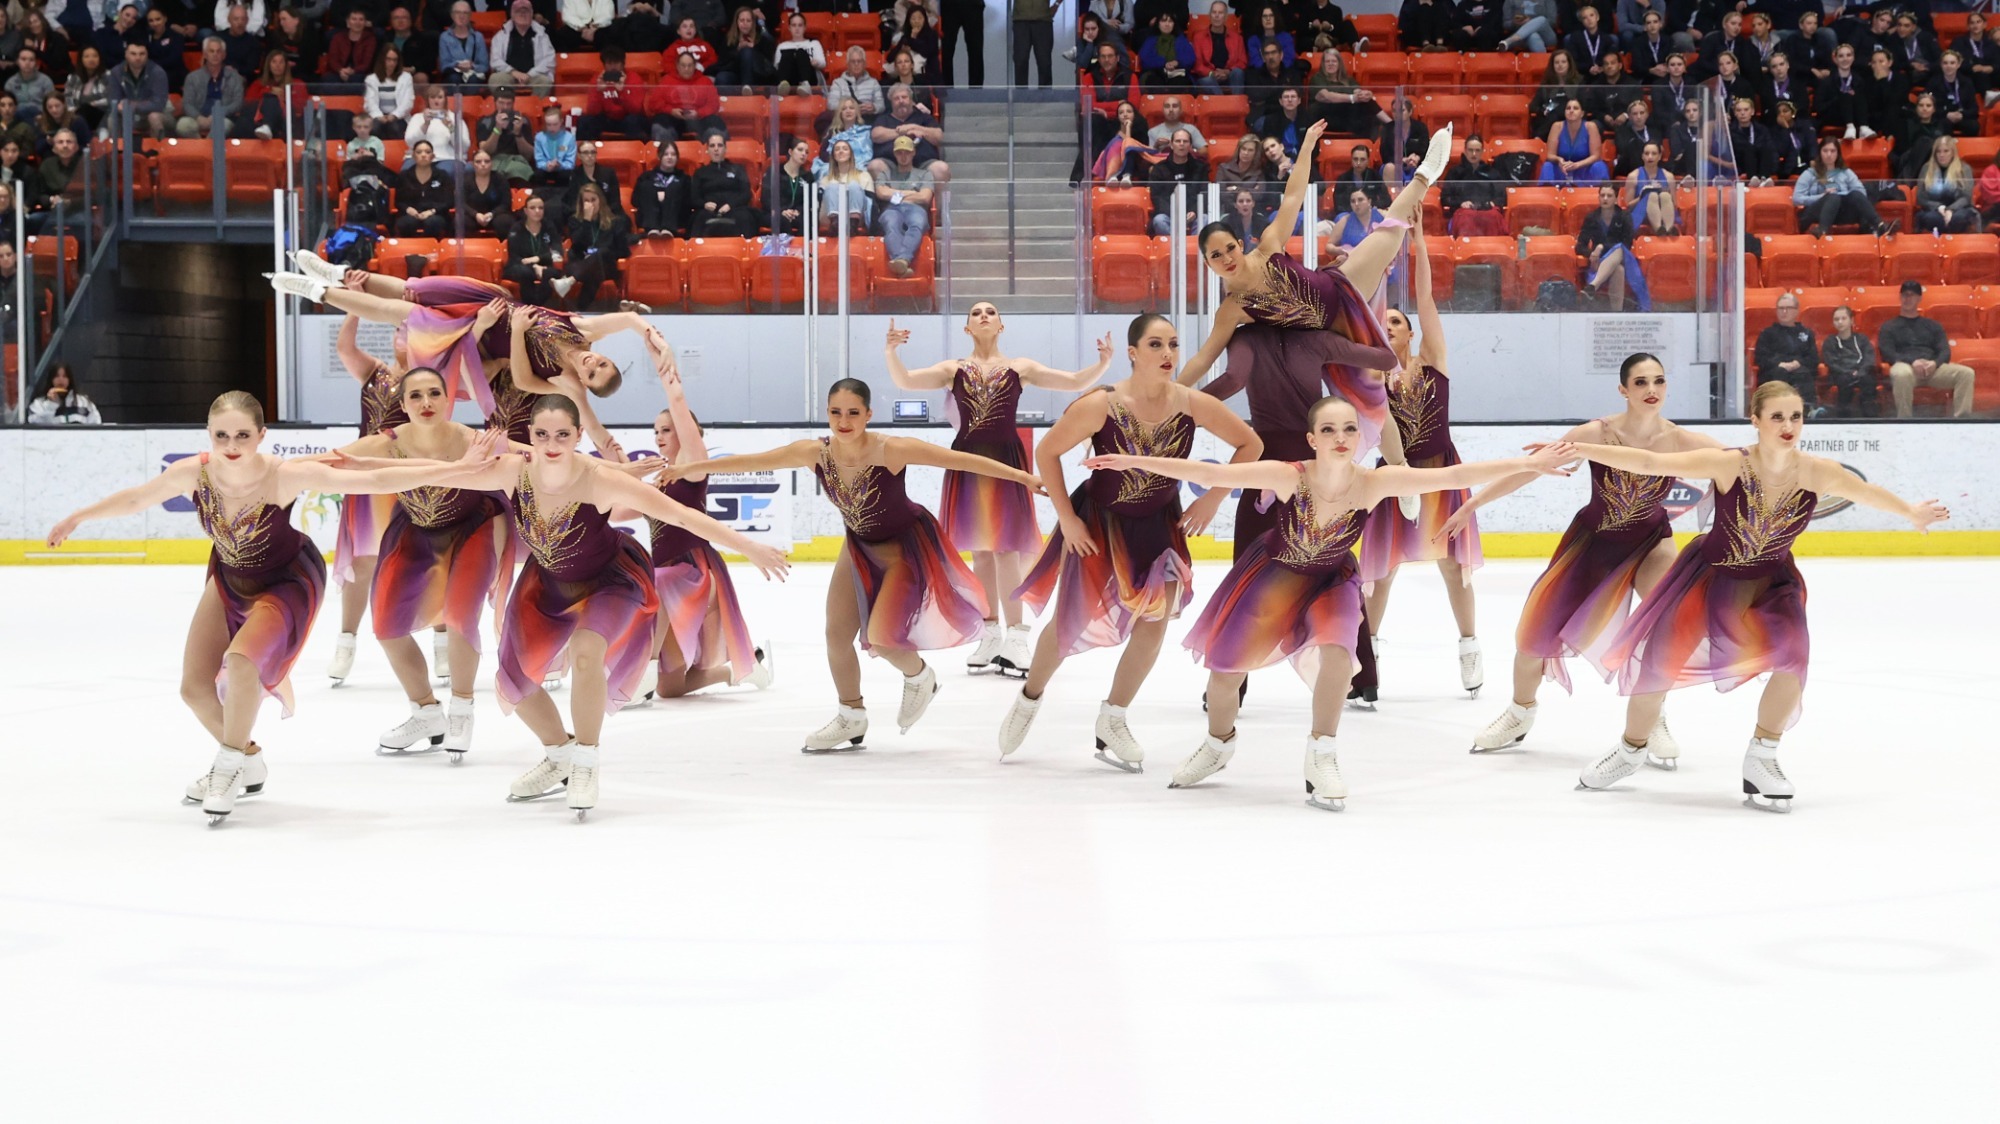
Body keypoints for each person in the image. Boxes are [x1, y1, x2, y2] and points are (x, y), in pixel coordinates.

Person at [43, 391, 486, 825]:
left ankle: (227, 765)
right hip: (229, 578)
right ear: (208, 435)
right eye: (221, 436)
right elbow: (138, 498)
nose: (231, 447)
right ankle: (248, 758)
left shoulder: (283, 475)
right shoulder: (192, 474)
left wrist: (457, 469)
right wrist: (78, 517)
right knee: (193, 688)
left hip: (285, 582)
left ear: (261, 434)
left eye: (241, 435)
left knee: (241, 662)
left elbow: (373, 480)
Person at [1570, 381, 1950, 811]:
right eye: (1777, 417)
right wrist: (1584, 449)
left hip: (1772, 586)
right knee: (1656, 666)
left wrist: (1912, 512)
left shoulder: (1816, 471)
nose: (1788, 426)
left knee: (1794, 656)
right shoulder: (1730, 464)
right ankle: (1630, 750)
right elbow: (1648, 460)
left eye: (1796, 417)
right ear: (1756, 421)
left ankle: (1762, 757)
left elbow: (1866, 492)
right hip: (1709, 579)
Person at [410, 387, 788, 818]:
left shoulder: (602, 479)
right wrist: (445, 466)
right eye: (542, 435)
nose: (552, 446)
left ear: (576, 438)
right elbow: (419, 475)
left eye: (562, 435)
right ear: (530, 435)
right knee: (515, 680)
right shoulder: (513, 471)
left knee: (587, 652)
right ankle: (559, 754)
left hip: (610, 581)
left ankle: (586, 762)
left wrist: (749, 547)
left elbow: (682, 516)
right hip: (548, 583)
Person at [1177, 118, 1448, 710]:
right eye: (1213, 256)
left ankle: (1426, 172)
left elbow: (1295, 196)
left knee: (1390, 232)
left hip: (1337, 295)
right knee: (1263, 557)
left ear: (1240, 244)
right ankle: (1240, 671)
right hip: (1321, 351)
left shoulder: (1269, 248)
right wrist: (1172, 390)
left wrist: (1302, 149)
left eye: (1226, 248)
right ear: (1206, 264)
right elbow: (1204, 360)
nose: (1223, 259)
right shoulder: (1233, 311)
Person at [666, 378, 1041, 753]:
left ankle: (920, 677)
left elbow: (961, 460)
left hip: (904, 550)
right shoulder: (815, 453)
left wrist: (1024, 477)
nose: (843, 421)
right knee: (835, 635)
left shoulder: (891, 449)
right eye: (835, 412)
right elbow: (755, 461)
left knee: (882, 639)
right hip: (858, 547)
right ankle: (852, 716)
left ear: (868, 415)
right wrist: (689, 468)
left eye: (853, 413)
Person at [995, 313, 1259, 771]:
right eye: (1156, 345)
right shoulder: (1102, 404)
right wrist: (1067, 520)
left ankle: (1113, 717)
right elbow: (1047, 452)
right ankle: (1029, 697)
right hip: (1099, 524)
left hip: (1160, 525)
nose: (1168, 354)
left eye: (1174, 345)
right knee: (1068, 623)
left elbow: (1249, 445)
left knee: (1154, 623)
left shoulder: (1191, 403)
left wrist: (1213, 500)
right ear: (1134, 353)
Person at [1463, 352, 1724, 766]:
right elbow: (1531, 469)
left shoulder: (1679, 439)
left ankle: (1650, 713)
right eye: (1640, 383)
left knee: (1665, 624)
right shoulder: (1596, 433)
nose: (1651, 390)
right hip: (1593, 544)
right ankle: (1519, 711)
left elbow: (1743, 466)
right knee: (1533, 635)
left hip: (1650, 542)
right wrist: (1471, 504)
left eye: (1658, 381)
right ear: (1623, 389)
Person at [885, 305, 1113, 676]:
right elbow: (906, 381)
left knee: (1007, 550)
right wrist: (891, 352)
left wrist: (1103, 363)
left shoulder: (1019, 368)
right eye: (977, 312)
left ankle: (1017, 636)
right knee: (981, 553)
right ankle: (990, 632)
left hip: (1007, 461)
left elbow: (1072, 382)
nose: (985, 315)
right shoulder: (952, 370)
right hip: (967, 461)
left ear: (1002, 324)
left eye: (991, 311)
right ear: (967, 327)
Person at [329, 366, 515, 761]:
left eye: (434, 393)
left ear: (449, 399)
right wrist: (261, 468)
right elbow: (333, 460)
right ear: (403, 404)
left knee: (462, 615)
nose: (426, 402)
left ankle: (462, 709)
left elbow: (545, 461)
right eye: (416, 396)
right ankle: (426, 711)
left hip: (474, 527)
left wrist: (615, 471)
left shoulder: (475, 440)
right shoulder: (387, 443)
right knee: (386, 626)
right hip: (415, 528)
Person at [270, 255, 668, 434]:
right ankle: (338, 273)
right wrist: (654, 340)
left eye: (594, 374)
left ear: (586, 381)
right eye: (603, 363)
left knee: (401, 313)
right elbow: (631, 319)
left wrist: (614, 453)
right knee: (413, 289)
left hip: (471, 331)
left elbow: (545, 395)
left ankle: (318, 290)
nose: (593, 364)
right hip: (486, 299)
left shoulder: (566, 380)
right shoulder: (584, 330)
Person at [1357, 230, 1485, 696]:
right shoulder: (1372, 374)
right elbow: (1364, 313)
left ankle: (1470, 648)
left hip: (1440, 472)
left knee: (1453, 567)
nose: (1388, 326)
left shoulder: (1435, 361)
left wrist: (1419, 242)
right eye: (1383, 322)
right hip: (1393, 478)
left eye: (1397, 322)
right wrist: (1378, 277)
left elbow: (1427, 297)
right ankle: (1364, 665)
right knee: (1381, 572)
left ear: (1411, 332)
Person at [619, 358, 772, 703]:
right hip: (671, 577)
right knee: (669, 688)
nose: (658, 437)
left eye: (667, 429)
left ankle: (638, 672)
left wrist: (676, 396)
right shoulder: (656, 485)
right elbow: (615, 510)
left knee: (651, 582)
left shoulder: (692, 472)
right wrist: (627, 474)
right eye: (656, 431)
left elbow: (691, 441)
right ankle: (740, 670)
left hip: (694, 571)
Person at [324, 311, 410, 684]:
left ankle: (441, 640)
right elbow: (345, 348)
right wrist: (354, 306)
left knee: (432, 556)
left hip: (416, 476)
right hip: (369, 478)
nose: (407, 340)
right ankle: (346, 639)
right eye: (401, 332)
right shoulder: (375, 373)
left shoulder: (438, 380)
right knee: (363, 562)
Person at [1878, 280, 1975, 418]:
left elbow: (1945, 351)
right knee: (1901, 374)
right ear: (1900, 297)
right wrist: (1913, 362)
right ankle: (1904, 420)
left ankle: (1962, 420)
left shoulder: (1932, 325)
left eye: (1912, 295)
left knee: (1966, 373)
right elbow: (1887, 353)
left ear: (1919, 298)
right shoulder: (1889, 326)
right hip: (1906, 366)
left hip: (1931, 368)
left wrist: (1934, 363)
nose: (1908, 298)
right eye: (1905, 295)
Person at [1792, 136, 1891, 239]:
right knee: (1832, 197)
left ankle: (1880, 226)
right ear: (1820, 153)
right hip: (1817, 211)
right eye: (1825, 151)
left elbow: (1861, 192)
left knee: (1856, 194)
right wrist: (1822, 196)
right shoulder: (1809, 174)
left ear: (1838, 154)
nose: (1829, 155)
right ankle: (1822, 231)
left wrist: (1843, 195)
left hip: (1840, 212)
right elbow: (1797, 198)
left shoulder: (1846, 172)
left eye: (1832, 151)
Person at [1575, 183, 1649, 310]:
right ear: (1598, 197)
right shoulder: (1591, 218)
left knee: (1620, 249)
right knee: (1618, 270)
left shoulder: (1624, 217)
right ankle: (1617, 313)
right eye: (1602, 195)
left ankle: (1593, 286)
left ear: (1616, 198)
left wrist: (1600, 247)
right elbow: (1580, 246)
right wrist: (1591, 254)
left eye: (1609, 196)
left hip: (1624, 260)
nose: (1605, 199)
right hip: (1597, 263)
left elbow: (1627, 244)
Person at [872, 135, 932, 276]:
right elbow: (881, 193)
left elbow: (925, 197)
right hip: (892, 209)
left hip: (915, 209)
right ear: (894, 154)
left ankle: (900, 260)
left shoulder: (925, 174)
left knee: (917, 224)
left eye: (907, 152)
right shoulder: (885, 174)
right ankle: (903, 262)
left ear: (913, 153)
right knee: (891, 225)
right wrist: (911, 193)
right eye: (899, 152)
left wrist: (894, 194)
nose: (903, 156)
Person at [1754, 291, 1819, 408]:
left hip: (1800, 370)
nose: (1784, 312)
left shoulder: (1806, 333)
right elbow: (1761, 358)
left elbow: (1813, 358)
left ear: (1796, 310)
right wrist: (1780, 364)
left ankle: (1808, 409)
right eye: (1781, 308)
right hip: (1775, 372)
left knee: (1803, 374)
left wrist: (1797, 363)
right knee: (1780, 373)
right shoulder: (1767, 334)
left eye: (1788, 308)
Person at [647, 50, 725, 143]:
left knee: (715, 120)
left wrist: (698, 113)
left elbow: (713, 105)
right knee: (661, 120)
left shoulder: (705, 81)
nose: (686, 69)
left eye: (690, 65)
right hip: (673, 119)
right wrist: (671, 110)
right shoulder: (667, 80)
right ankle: (667, 153)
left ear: (695, 66)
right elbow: (654, 103)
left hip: (699, 120)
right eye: (683, 65)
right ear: (677, 66)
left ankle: (714, 153)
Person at [1821, 305, 1881, 417]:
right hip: (1841, 375)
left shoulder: (1862, 339)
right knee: (1845, 381)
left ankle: (1870, 417)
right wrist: (1848, 372)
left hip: (1861, 373)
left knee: (1868, 380)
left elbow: (1869, 357)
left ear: (1851, 320)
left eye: (1843, 318)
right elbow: (1831, 362)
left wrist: (1860, 371)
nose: (1840, 322)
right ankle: (1843, 416)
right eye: (1836, 319)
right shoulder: (1830, 341)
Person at [504, 194, 565, 305]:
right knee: (526, 273)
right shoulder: (516, 229)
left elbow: (557, 251)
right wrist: (534, 267)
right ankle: (529, 307)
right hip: (520, 266)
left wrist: (537, 259)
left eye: (540, 208)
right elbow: (514, 256)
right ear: (526, 211)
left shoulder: (549, 227)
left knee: (551, 273)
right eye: (532, 208)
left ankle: (537, 306)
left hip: (545, 267)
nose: (537, 211)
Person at [1912, 134, 1976, 234]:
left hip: (1959, 208)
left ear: (1953, 153)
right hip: (1933, 209)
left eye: (1946, 151)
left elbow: (1966, 196)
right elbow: (1921, 197)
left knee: (1959, 218)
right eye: (1938, 151)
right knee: (1932, 219)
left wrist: (1950, 210)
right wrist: (1939, 208)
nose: (1942, 155)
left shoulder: (1964, 169)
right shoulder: (1926, 168)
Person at [1442, 133, 1505, 236]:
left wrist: (1492, 203)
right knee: (1466, 217)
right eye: (1471, 150)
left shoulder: (1492, 173)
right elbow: (1445, 198)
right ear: (1465, 151)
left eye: (1477, 150)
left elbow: (1501, 197)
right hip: (1464, 213)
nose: (1474, 154)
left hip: (1488, 212)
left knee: (1493, 216)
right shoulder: (1454, 172)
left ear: (1482, 151)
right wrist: (1461, 203)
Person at [691, 130, 752, 236]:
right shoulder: (700, 172)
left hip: (734, 209)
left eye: (719, 145)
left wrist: (730, 205)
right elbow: (694, 197)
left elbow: (746, 193)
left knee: (746, 216)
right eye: (712, 146)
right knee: (697, 217)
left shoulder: (737, 169)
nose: (716, 149)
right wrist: (704, 204)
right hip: (708, 211)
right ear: (707, 150)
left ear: (725, 148)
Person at [488, 0, 553, 97]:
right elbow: (495, 60)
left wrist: (529, 75)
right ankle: (506, 107)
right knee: (495, 79)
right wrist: (513, 72)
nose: (523, 14)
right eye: (519, 11)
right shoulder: (501, 36)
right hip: (508, 75)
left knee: (545, 81)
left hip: (533, 76)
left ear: (532, 14)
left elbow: (549, 60)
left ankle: (535, 108)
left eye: (526, 11)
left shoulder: (542, 36)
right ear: (512, 15)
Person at [1540, 97, 1609, 184]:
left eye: (1575, 108)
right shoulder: (1556, 126)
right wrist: (1559, 160)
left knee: (1599, 166)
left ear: (1582, 113)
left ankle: (1602, 194)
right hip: (1563, 168)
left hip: (1584, 168)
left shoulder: (1591, 126)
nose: (1571, 111)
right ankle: (1547, 194)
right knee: (1547, 166)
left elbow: (1596, 156)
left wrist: (1577, 165)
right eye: (1568, 108)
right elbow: (1550, 155)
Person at [403, 84, 470, 173]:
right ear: (428, 100)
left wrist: (450, 128)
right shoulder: (417, 118)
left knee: (445, 172)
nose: (436, 100)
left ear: (445, 99)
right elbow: (410, 142)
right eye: (433, 97)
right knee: (406, 170)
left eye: (440, 97)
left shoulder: (455, 118)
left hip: (447, 158)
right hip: (420, 157)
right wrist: (425, 125)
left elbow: (464, 147)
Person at [394, 139, 454, 236]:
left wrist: (431, 211)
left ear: (433, 156)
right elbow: (398, 201)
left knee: (433, 222)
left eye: (427, 152)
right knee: (406, 223)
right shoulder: (404, 176)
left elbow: (448, 201)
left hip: (435, 214)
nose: (423, 155)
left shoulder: (442, 175)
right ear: (413, 156)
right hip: (411, 214)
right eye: (419, 152)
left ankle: (433, 249)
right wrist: (408, 209)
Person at [109, 40, 169, 139]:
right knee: (112, 118)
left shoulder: (158, 72)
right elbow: (114, 101)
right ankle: (117, 151)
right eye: (133, 54)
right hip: (127, 115)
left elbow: (159, 104)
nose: (137, 58)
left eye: (142, 54)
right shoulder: (116, 72)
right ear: (126, 55)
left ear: (147, 55)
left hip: (156, 114)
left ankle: (158, 151)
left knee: (154, 117)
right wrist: (123, 108)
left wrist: (132, 105)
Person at [633, 139, 692, 238]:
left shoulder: (684, 178)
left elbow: (689, 201)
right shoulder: (646, 177)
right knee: (647, 187)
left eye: (673, 154)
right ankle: (652, 228)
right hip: (649, 217)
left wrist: (667, 195)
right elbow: (635, 200)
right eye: (666, 154)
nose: (670, 157)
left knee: (675, 188)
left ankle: (668, 228)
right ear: (659, 156)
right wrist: (656, 195)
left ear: (677, 157)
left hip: (677, 218)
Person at [477, 85, 535, 183]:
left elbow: (529, 155)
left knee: (519, 170)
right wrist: (497, 129)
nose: (505, 107)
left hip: (517, 161)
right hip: (494, 161)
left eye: (509, 104)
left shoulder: (523, 121)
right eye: (501, 103)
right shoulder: (485, 121)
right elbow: (485, 151)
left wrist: (518, 134)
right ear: (494, 102)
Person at [1190, 0, 1246, 94]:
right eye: (1214, 12)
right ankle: (1224, 106)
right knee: (1208, 81)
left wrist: (1228, 72)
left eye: (1220, 13)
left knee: (1238, 73)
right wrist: (1213, 73)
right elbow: (1197, 64)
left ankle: (1237, 104)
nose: (1216, 15)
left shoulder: (1237, 38)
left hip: (1229, 75)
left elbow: (1243, 61)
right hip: (1208, 77)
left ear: (1226, 16)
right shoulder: (1198, 37)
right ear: (1210, 15)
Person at [817, 136, 871, 233]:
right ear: (833, 155)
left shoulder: (864, 176)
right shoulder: (825, 179)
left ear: (850, 154)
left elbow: (871, 203)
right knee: (832, 185)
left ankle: (852, 223)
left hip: (858, 217)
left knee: (854, 185)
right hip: (828, 218)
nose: (841, 151)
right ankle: (835, 223)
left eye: (845, 149)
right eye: (837, 149)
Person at [1624, 140, 1676, 235]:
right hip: (1641, 214)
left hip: (1664, 212)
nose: (1650, 157)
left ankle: (1668, 230)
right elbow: (1628, 205)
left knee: (1665, 195)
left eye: (1654, 153)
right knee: (1651, 195)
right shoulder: (1633, 176)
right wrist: (1643, 196)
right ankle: (1659, 230)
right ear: (1642, 156)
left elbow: (1674, 203)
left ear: (1660, 156)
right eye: (1647, 153)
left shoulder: (1669, 176)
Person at [766, 135, 813, 238]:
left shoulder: (808, 176)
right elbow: (766, 197)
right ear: (790, 152)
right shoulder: (774, 172)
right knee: (782, 220)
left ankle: (805, 249)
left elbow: (809, 200)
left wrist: (798, 211)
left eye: (806, 152)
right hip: (777, 212)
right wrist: (782, 210)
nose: (803, 154)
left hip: (797, 214)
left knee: (808, 218)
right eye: (800, 150)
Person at [1529, 50, 1584, 135]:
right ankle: (1538, 140)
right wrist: (1543, 111)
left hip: (1571, 120)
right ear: (1552, 65)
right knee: (1552, 116)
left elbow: (1584, 105)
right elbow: (1533, 106)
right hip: (1549, 122)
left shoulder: (1579, 82)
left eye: (1563, 62)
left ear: (1569, 64)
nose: (1560, 65)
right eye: (1556, 62)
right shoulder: (1546, 84)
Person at [362, 46, 412, 139]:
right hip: (378, 117)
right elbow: (370, 102)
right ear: (382, 60)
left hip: (399, 117)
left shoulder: (406, 77)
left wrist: (394, 115)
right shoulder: (371, 79)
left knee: (395, 127)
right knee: (375, 128)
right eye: (388, 59)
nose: (392, 63)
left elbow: (407, 102)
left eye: (395, 60)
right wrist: (379, 116)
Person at [461, 148, 512, 237]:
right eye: (478, 162)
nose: (483, 164)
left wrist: (492, 214)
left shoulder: (500, 179)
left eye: (487, 161)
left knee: (505, 221)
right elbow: (461, 203)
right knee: (461, 221)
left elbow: (506, 203)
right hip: (472, 216)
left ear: (492, 163)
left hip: (496, 215)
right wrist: (475, 214)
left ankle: (503, 249)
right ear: (472, 164)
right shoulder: (465, 180)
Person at [27, 362, 100, 424]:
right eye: (57, 376)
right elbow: (34, 425)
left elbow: (96, 423)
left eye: (65, 376)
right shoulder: (39, 404)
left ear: (69, 380)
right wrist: (51, 405)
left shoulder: (84, 402)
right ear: (51, 379)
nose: (61, 380)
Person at [772, 11, 825, 94]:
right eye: (794, 25)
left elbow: (823, 63)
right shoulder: (782, 46)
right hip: (790, 77)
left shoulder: (814, 43)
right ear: (789, 28)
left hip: (810, 77)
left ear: (804, 27)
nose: (797, 28)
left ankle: (805, 84)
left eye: (800, 25)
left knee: (800, 52)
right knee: (787, 54)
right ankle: (783, 86)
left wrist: (816, 62)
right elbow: (777, 66)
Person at [436, 2, 487, 87]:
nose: (461, 16)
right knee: (454, 78)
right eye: (457, 12)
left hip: (474, 75)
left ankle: (471, 100)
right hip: (452, 75)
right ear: (452, 15)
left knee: (473, 79)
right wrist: (456, 65)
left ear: (470, 16)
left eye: (465, 13)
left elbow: (484, 66)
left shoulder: (478, 37)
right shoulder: (444, 37)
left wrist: (472, 66)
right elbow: (443, 66)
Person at [322, 8, 378, 84]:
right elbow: (333, 60)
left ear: (365, 23)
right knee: (328, 79)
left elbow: (366, 64)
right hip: (338, 72)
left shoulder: (370, 39)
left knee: (358, 80)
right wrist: (341, 70)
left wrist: (353, 71)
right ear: (348, 23)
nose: (357, 22)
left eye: (361, 20)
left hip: (359, 73)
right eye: (354, 19)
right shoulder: (338, 37)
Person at [827, 44, 883, 116]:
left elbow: (881, 105)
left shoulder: (873, 82)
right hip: (845, 121)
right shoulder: (838, 83)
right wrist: (851, 108)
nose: (856, 64)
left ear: (864, 64)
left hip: (867, 118)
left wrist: (874, 107)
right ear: (847, 64)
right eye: (853, 61)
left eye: (859, 61)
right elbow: (831, 104)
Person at [1012, 0, 1057, 89]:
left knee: (1044, 62)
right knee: (1020, 60)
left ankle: (1045, 97)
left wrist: (1057, 4)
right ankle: (1021, 97)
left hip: (1043, 19)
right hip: (1020, 19)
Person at [530, 103, 575, 192]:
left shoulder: (569, 138)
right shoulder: (539, 137)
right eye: (549, 124)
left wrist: (560, 165)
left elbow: (570, 162)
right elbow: (539, 160)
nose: (552, 128)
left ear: (561, 122)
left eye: (555, 124)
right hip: (545, 169)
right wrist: (546, 165)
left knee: (566, 175)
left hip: (563, 170)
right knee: (537, 175)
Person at [941, 0, 984, 86]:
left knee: (976, 49)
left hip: (973, 5)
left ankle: (975, 90)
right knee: (946, 50)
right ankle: (946, 90)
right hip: (949, 6)